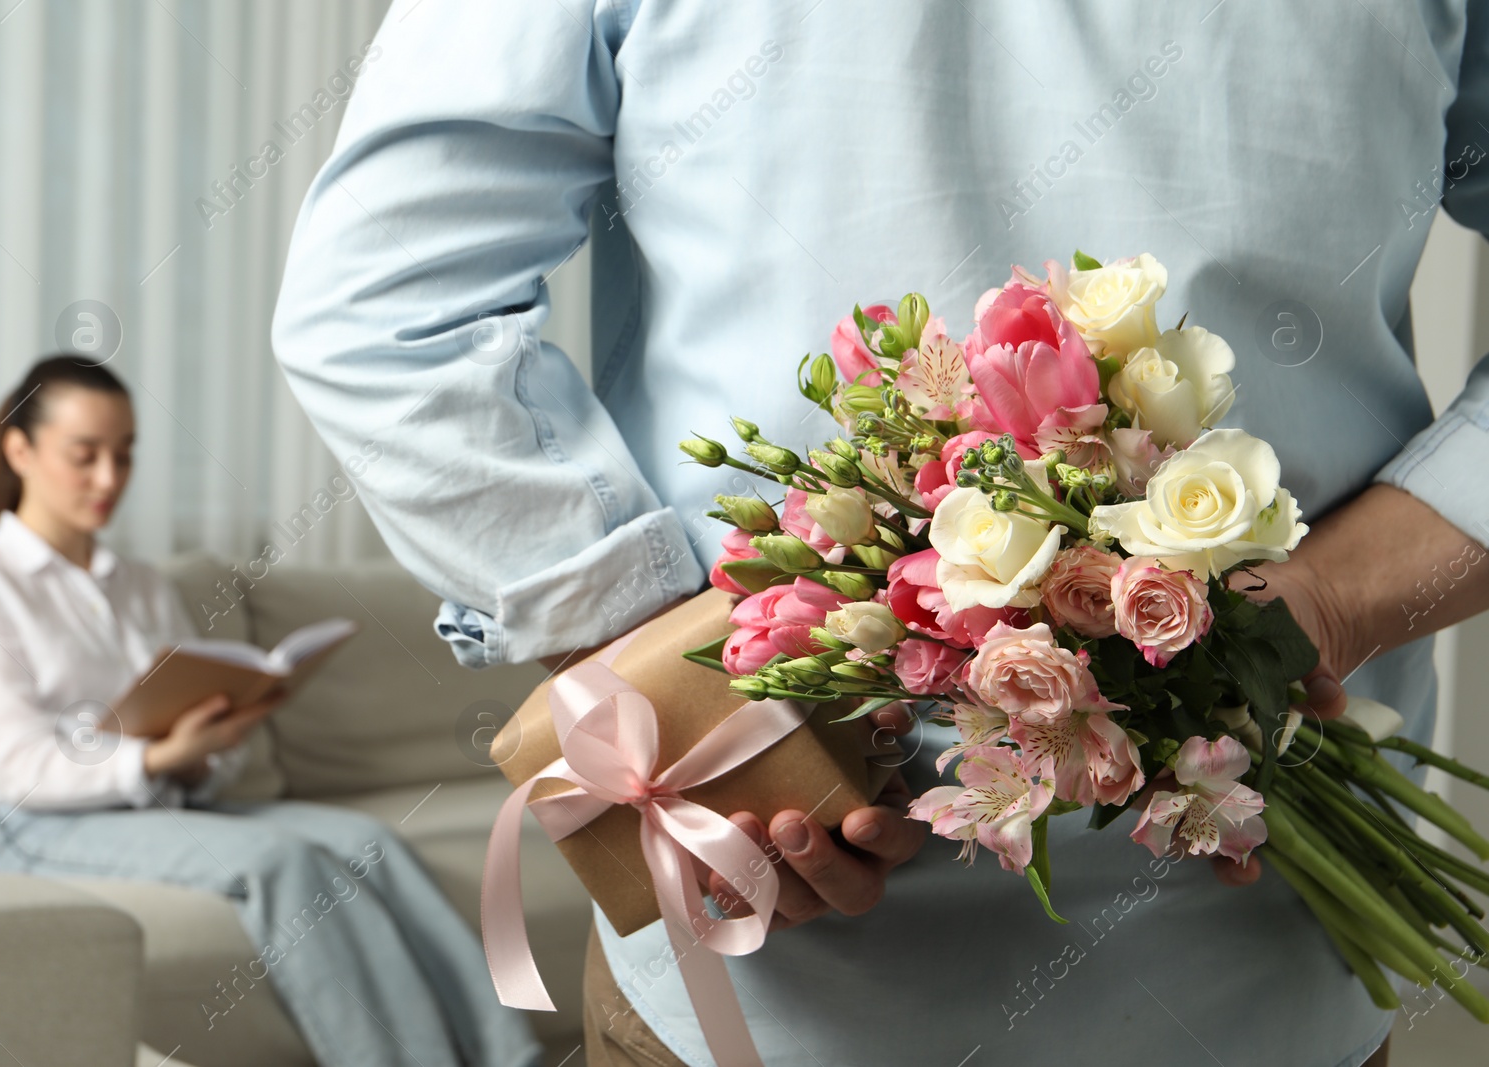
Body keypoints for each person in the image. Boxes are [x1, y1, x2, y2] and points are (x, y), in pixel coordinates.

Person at [270, 3, 1489, 1065]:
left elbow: (382, 307)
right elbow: (386, 309)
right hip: (830, 963)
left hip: (1212, 939)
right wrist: (695, 702)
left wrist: (690, 694)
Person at [0, 355, 542, 1067]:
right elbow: (15, 765)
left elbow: (190, 725)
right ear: (20, 449)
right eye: (84, 455)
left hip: (166, 801)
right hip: (45, 824)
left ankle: (509, 1056)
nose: (108, 479)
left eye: (123, 455)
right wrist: (156, 757)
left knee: (373, 843)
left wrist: (216, 740)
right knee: (281, 862)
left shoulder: (142, 585)